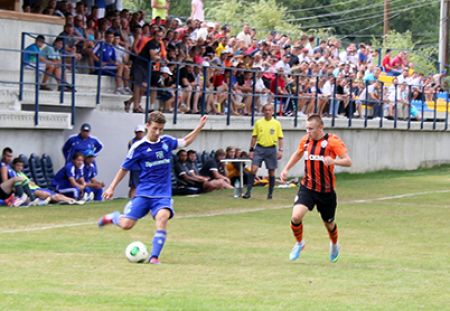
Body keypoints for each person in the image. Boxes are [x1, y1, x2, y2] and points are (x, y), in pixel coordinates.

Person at [98, 112, 208, 265]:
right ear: (147, 126)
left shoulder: (166, 141)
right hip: (144, 193)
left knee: (162, 218)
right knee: (126, 225)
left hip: (162, 194)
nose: (157, 132)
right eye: (155, 128)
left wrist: (199, 127)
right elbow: (124, 168)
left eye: (161, 129)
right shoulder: (138, 147)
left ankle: (154, 257)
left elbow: (185, 142)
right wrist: (111, 188)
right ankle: (113, 217)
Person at [280, 114, 352, 263]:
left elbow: (348, 161)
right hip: (308, 188)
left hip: (326, 191)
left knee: (329, 223)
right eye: (306, 128)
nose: (308, 131)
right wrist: (286, 169)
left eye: (311, 129)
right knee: (295, 217)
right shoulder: (306, 140)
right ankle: (299, 243)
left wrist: (334, 161)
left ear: (320, 128)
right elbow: (298, 153)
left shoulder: (332, 141)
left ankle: (334, 244)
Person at [243, 103, 284, 199]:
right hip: (259, 148)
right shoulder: (259, 123)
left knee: (271, 172)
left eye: (269, 110)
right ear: (263, 111)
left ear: (272, 112)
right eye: (266, 110)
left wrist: (280, 150)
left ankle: (270, 193)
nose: (267, 112)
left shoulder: (276, 124)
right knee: (254, 169)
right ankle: (248, 192)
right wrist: (251, 149)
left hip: (271, 148)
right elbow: (254, 136)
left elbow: (280, 137)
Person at [128, 125, 146, 198]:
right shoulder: (132, 142)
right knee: (134, 185)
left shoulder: (145, 141)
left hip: (144, 165)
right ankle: (131, 199)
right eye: (138, 132)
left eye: (141, 132)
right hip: (135, 166)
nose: (140, 134)